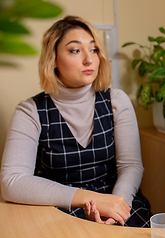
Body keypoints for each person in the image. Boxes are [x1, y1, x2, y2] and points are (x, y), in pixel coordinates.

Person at [0, 15, 151, 227]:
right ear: (52, 59)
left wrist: (115, 208)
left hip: (118, 199)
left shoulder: (116, 101)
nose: (89, 59)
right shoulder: (30, 111)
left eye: (94, 49)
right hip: (59, 209)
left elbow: (131, 166)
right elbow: (12, 182)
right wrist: (92, 201)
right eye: (75, 50)